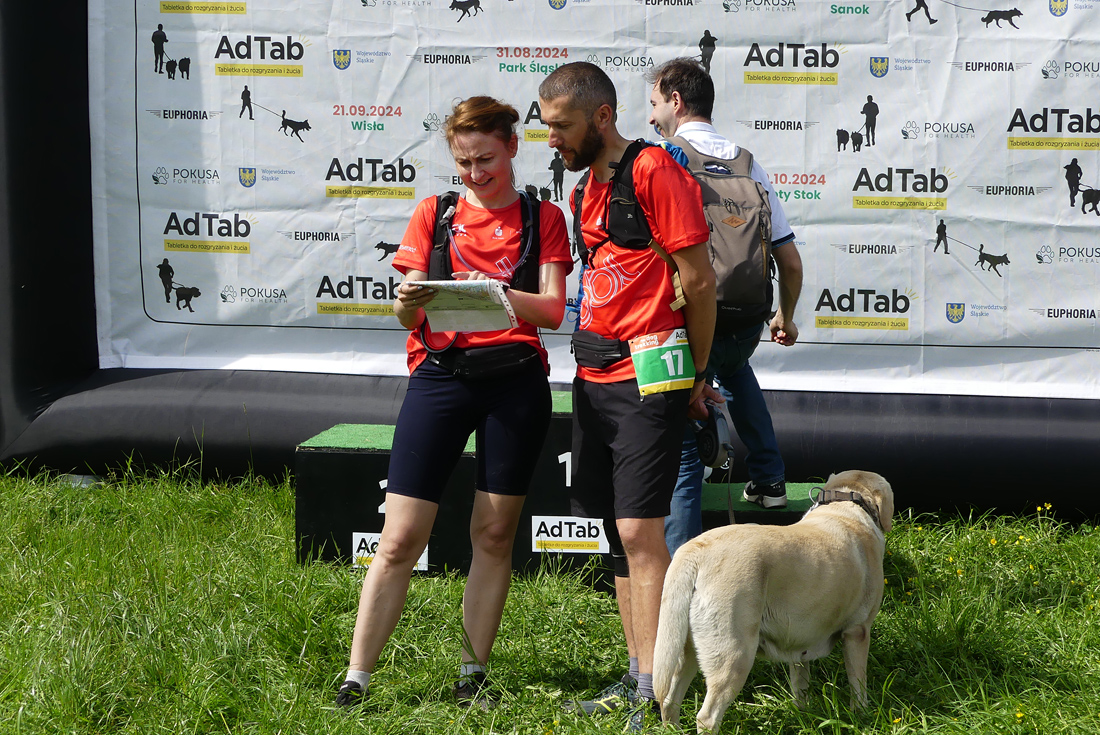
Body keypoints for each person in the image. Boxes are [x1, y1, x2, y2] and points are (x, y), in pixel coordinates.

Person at [335, 96, 573, 711]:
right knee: (398, 538)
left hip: (514, 381)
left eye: (485, 159)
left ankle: (473, 675)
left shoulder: (543, 215)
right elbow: (405, 314)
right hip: (441, 377)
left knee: (492, 534)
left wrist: (493, 294)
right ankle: (356, 678)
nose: (474, 173)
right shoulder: (434, 213)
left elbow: (552, 311)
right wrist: (408, 300)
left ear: (513, 146)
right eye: (463, 162)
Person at [539, 61, 717, 729]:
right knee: (620, 536)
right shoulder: (583, 189)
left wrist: (697, 374)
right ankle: (640, 671)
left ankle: (659, 691)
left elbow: (699, 282)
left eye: (561, 125)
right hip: (594, 376)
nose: (551, 138)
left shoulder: (654, 169)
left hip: (651, 374)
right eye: (547, 125)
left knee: (642, 532)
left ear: (602, 117)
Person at [646, 58, 802, 553]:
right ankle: (771, 480)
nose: (650, 116)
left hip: (693, 317)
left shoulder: (663, 158)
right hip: (747, 315)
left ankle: (682, 563)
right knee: (738, 372)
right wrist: (785, 316)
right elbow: (790, 261)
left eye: (654, 103)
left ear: (675, 101)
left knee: (683, 445)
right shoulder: (749, 163)